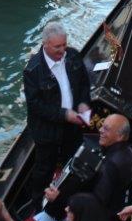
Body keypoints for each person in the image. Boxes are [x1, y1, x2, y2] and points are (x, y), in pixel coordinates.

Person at [23, 22, 92, 205]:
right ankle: (38, 203)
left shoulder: (73, 56)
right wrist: (64, 114)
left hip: (72, 125)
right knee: (44, 168)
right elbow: (36, 106)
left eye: (64, 44)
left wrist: (84, 104)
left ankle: (69, 199)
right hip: (47, 130)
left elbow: (85, 84)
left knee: (73, 159)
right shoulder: (33, 70)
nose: (63, 50)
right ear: (45, 44)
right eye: (57, 47)